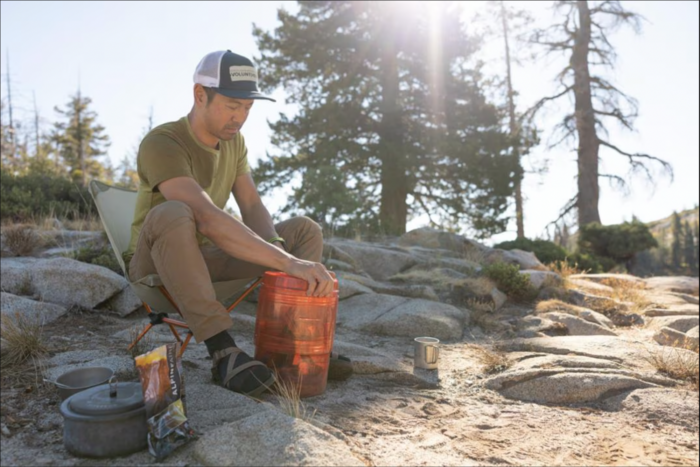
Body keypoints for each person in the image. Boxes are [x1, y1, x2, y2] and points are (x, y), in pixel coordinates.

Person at [122, 50, 348, 398]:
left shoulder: (234, 143)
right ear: (200, 94)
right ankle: (223, 351)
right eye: (232, 105)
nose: (240, 117)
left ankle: (292, 348)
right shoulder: (162, 142)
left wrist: (277, 246)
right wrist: (288, 263)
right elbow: (206, 216)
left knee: (303, 230)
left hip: (207, 260)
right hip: (156, 264)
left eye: (247, 108)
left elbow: (252, 205)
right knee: (176, 211)